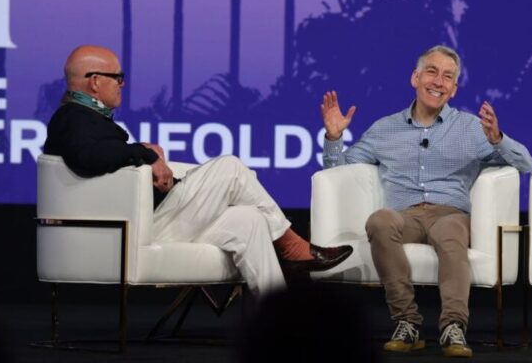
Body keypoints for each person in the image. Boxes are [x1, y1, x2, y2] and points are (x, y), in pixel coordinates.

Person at [44, 45, 352, 297]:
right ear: (95, 81)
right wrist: (144, 154)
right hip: (132, 232)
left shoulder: (86, 119)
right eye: (118, 77)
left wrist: (141, 153)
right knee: (231, 168)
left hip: (152, 222)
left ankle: (279, 321)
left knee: (249, 220)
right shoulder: (71, 117)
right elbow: (87, 156)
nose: (122, 84)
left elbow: (101, 154)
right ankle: (292, 245)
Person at [319, 45, 532, 358]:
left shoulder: (472, 128)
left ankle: (453, 325)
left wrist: (497, 139)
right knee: (379, 221)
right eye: (432, 72)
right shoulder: (384, 129)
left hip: (451, 214)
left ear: (454, 89)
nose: (438, 81)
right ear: (415, 78)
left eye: (448, 77)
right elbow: (338, 172)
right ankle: (407, 322)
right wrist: (334, 138)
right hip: (404, 215)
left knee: (449, 231)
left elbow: (526, 164)